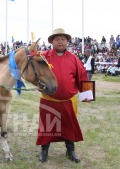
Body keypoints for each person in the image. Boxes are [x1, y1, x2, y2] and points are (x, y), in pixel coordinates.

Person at [37, 28, 89, 163]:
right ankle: (44, 150)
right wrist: (38, 83)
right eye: (57, 39)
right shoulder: (43, 56)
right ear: (52, 41)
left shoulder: (74, 59)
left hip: (68, 101)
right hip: (49, 100)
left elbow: (82, 75)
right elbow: (36, 74)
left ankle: (70, 150)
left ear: (67, 41)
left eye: (63, 39)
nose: (60, 42)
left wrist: (87, 95)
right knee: (47, 126)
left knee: (69, 126)